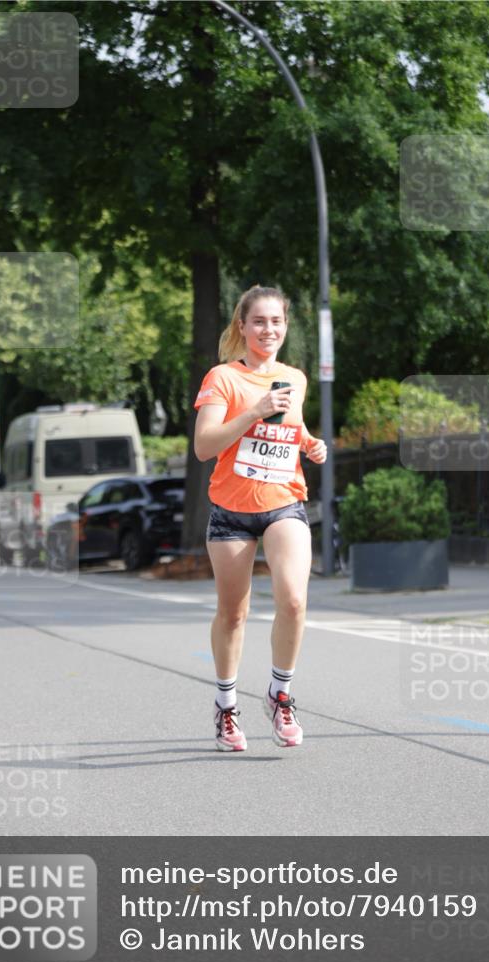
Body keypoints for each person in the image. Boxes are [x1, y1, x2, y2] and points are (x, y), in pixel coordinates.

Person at [194, 285, 327, 752]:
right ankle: (226, 708)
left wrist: (309, 443)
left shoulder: (295, 378)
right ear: (242, 327)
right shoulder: (222, 379)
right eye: (259, 322)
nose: (269, 329)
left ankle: (280, 693)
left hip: (283, 502)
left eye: (277, 322)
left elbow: (292, 428)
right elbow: (205, 446)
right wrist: (253, 411)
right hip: (231, 512)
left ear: (285, 327)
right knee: (234, 614)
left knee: (293, 600)